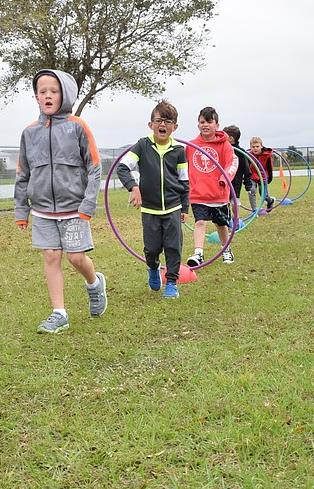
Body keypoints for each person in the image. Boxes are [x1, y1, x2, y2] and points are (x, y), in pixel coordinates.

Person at [14, 69, 108, 334]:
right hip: (42, 210)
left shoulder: (78, 127)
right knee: (52, 256)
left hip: (74, 209)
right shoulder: (29, 133)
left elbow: (94, 167)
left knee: (77, 259)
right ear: (36, 97)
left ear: (64, 94)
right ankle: (59, 313)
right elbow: (23, 173)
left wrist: (88, 204)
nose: (47, 96)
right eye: (42, 91)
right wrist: (22, 210)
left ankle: (94, 283)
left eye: (53, 91)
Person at [117, 100, 189, 298]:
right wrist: (134, 187)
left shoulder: (179, 151)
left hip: (173, 208)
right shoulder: (142, 145)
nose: (162, 125)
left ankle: (172, 282)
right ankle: (153, 268)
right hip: (150, 210)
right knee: (151, 249)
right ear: (151, 124)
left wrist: (185, 208)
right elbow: (122, 167)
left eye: (168, 121)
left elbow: (184, 181)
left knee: (174, 247)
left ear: (175, 126)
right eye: (158, 120)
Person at [184, 107, 238, 266]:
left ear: (217, 125)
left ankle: (226, 249)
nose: (205, 125)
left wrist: (224, 178)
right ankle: (198, 254)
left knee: (221, 224)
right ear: (197, 125)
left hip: (218, 194)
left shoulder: (224, 145)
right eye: (201, 122)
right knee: (200, 222)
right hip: (198, 194)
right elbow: (181, 165)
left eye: (209, 121)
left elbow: (232, 162)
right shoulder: (191, 145)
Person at [223, 125, 258, 212]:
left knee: (234, 203)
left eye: (224, 136)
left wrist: (248, 186)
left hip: (236, 183)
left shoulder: (241, 152)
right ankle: (227, 222)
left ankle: (236, 221)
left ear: (231, 138)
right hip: (224, 181)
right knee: (224, 203)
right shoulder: (222, 149)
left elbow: (246, 170)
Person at [249, 136, 276, 209]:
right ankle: (254, 210)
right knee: (252, 191)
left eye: (257, 146)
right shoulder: (249, 155)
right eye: (253, 147)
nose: (255, 148)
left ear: (261, 146)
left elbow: (270, 168)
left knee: (263, 195)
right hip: (253, 176)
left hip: (263, 177)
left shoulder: (267, 155)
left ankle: (270, 201)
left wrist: (269, 179)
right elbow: (247, 167)